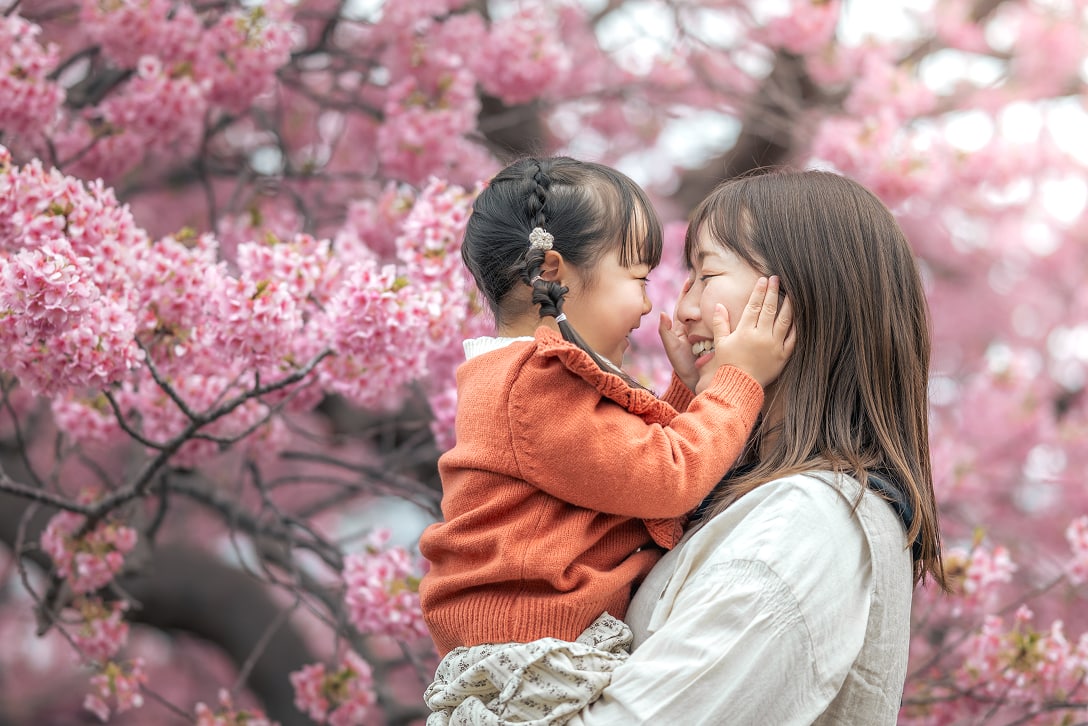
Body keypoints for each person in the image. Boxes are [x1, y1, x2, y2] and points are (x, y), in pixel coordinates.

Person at [427, 169, 948, 726]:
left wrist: (715, 388)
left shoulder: (809, 519)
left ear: (801, 297)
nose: (680, 309)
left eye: (707, 274)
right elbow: (658, 469)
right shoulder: (533, 381)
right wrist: (720, 387)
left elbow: (656, 468)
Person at [418, 156, 795, 658]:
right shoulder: (533, 383)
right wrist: (737, 380)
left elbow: (626, 460)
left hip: (537, 645)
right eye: (638, 278)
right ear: (552, 274)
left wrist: (692, 391)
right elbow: (668, 479)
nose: (648, 304)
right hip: (534, 652)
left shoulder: (523, 378)